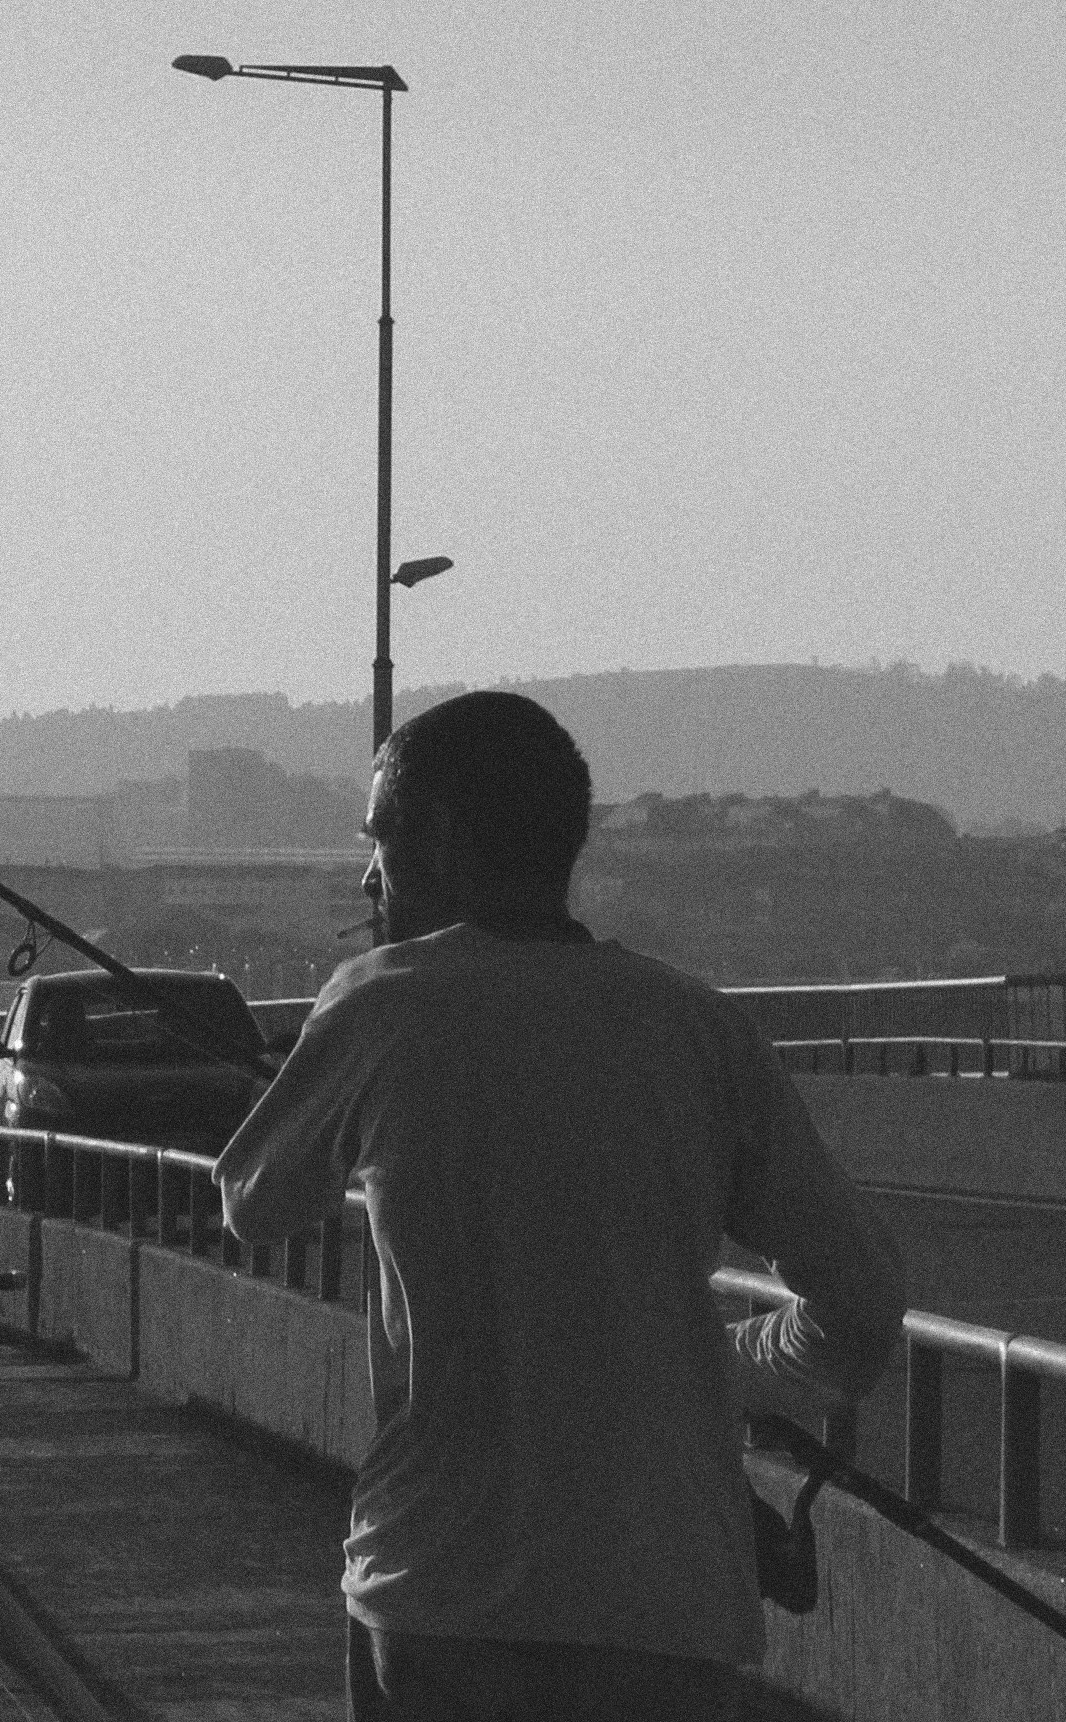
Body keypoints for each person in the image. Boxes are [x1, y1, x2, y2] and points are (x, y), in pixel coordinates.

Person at [218, 690, 902, 1720]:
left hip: (442, 1596)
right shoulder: (700, 1031)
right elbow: (860, 1308)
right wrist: (712, 1369)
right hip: (668, 1612)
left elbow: (253, 1201)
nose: (369, 875)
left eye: (380, 840)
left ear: (439, 836)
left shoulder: (379, 1002)